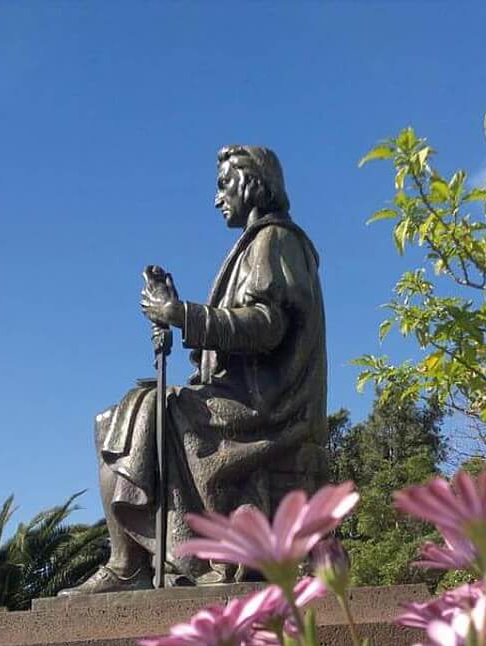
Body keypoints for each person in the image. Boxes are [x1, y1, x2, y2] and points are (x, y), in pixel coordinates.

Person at [64, 145, 328, 594]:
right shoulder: (255, 245)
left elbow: (265, 327)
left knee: (144, 411)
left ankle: (138, 562)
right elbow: (229, 343)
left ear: (250, 182)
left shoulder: (276, 240)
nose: (216, 197)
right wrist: (176, 313)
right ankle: (127, 562)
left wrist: (182, 314)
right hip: (241, 398)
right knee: (115, 420)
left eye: (224, 184)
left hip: (269, 412)